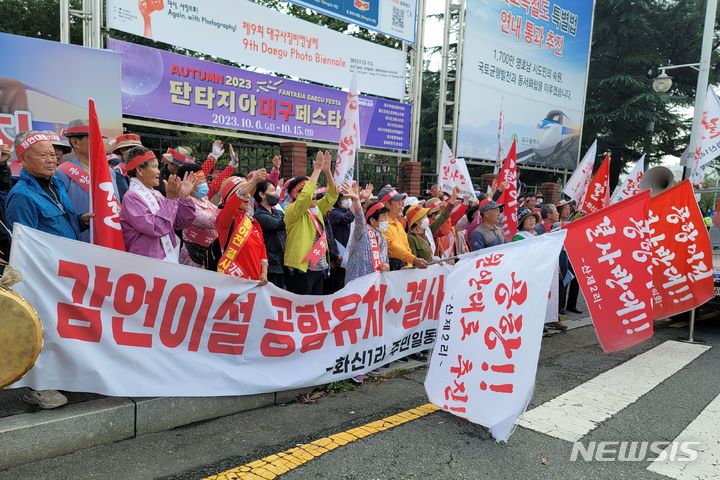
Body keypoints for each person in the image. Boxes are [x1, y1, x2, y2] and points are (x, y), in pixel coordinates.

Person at [6, 131, 93, 410]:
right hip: (42, 277)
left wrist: (82, 220)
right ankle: (38, 388)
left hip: (65, 271)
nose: (52, 159)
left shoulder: (56, 184)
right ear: (23, 159)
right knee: (42, 328)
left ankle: (60, 375)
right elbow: (25, 246)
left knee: (63, 326)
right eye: (43, 154)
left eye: (54, 154)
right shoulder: (21, 195)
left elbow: (61, 224)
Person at [119, 147, 196, 262]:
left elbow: (178, 222)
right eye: (154, 167)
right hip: (146, 261)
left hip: (164, 258)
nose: (159, 171)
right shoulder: (131, 197)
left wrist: (184, 197)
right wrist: (171, 199)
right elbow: (156, 227)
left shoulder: (156, 193)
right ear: (140, 170)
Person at [55, 119, 126, 242]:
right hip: (80, 242)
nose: (100, 143)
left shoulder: (110, 172)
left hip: (109, 238)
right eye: (94, 138)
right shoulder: (62, 172)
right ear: (76, 142)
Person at [283, 151, 339, 294]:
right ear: (296, 194)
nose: (314, 194)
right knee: (299, 309)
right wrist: (316, 171)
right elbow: (305, 198)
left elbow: (333, 195)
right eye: (310, 190)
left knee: (312, 310)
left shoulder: (318, 207)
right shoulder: (292, 211)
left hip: (319, 268)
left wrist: (326, 171)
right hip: (301, 269)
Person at [215, 174, 269, 284]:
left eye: (250, 193)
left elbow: (262, 250)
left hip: (255, 282)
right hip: (233, 281)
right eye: (245, 192)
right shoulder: (224, 219)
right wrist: (253, 180)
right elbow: (233, 202)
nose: (248, 196)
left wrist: (264, 273)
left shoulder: (253, 222)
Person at [175, 163, 219, 269]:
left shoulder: (204, 199)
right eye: (200, 181)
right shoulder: (184, 203)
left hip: (210, 253)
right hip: (195, 258)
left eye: (204, 179)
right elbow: (212, 221)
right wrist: (231, 200)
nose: (205, 183)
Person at [345, 188, 389, 284]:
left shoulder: (383, 238)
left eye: (387, 217)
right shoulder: (362, 232)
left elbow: (385, 260)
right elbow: (359, 218)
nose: (386, 221)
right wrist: (357, 201)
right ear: (373, 221)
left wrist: (386, 266)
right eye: (384, 218)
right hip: (357, 281)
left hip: (375, 283)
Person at [380, 186, 428, 270]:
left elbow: (407, 248)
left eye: (401, 201)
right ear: (386, 204)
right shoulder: (382, 225)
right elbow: (392, 248)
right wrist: (413, 260)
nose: (401, 205)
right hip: (393, 271)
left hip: (404, 269)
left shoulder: (398, 224)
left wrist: (409, 265)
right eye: (397, 201)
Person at [253, 179, 286, 288]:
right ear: (262, 194)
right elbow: (279, 224)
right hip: (270, 264)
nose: (275, 194)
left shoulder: (279, 212)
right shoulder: (259, 216)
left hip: (282, 261)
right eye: (271, 191)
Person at [325, 187, 356, 293]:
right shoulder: (334, 213)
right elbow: (347, 218)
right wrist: (355, 200)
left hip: (347, 255)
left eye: (349, 197)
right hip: (338, 256)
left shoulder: (345, 210)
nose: (348, 200)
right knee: (337, 287)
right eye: (345, 197)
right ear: (338, 200)